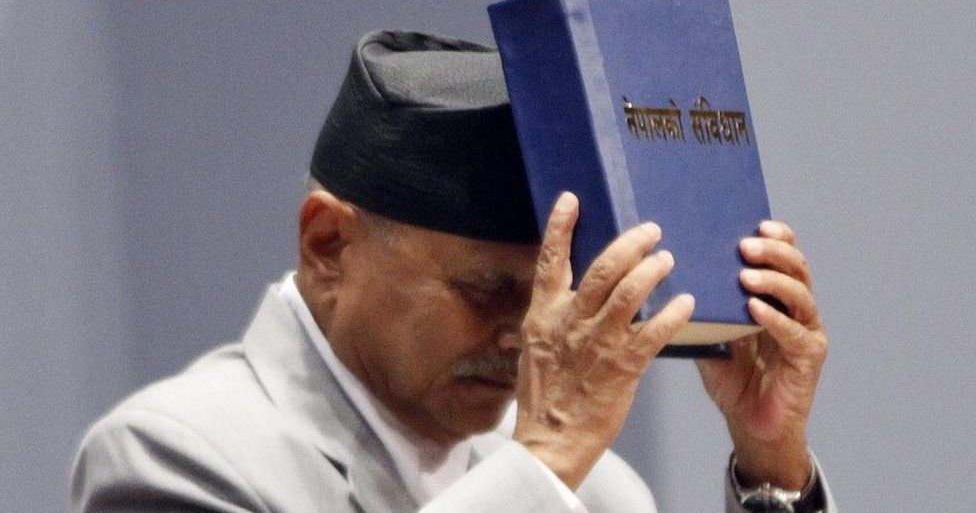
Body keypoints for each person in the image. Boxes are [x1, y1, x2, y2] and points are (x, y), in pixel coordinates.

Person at [72, 31, 834, 512]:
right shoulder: (170, 457)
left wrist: (773, 470)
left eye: (550, 295)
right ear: (329, 246)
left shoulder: (596, 491)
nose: (528, 333)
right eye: (487, 290)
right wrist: (542, 463)